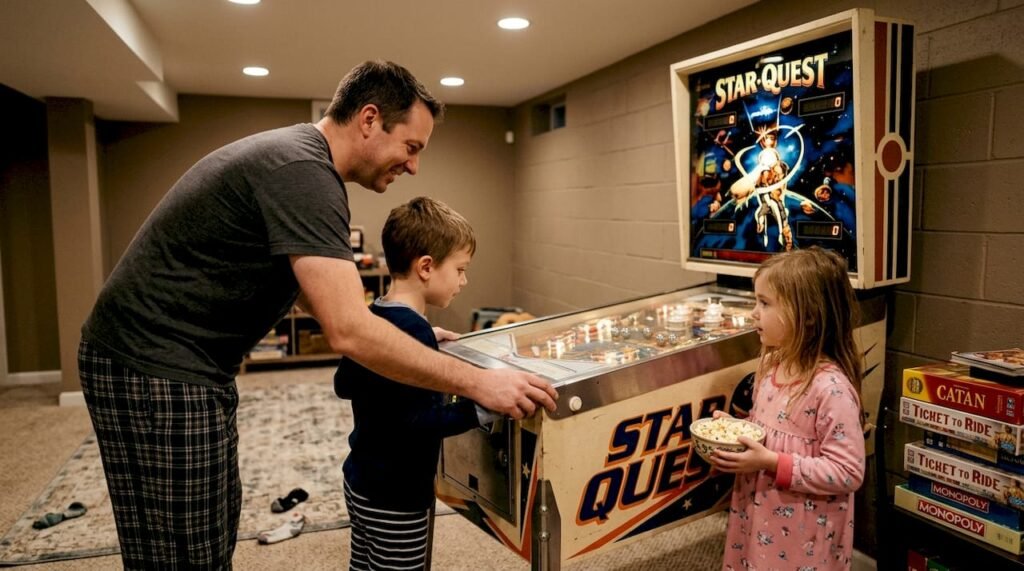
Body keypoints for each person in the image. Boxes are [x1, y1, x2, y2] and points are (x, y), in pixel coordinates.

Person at [78, 60, 557, 570]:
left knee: (211, 528)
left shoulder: (303, 164)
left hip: (179, 360)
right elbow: (348, 331)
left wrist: (397, 330)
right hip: (153, 363)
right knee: (181, 550)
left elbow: (320, 296)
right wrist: (482, 386)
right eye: (411, 147)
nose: (413, 166)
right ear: (369, 120)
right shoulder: (304, 174)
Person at [335, 196, 493, 570]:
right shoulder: (412, 332)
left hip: (359, 480)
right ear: (426, 267)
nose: (463, 280)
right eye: (460, 269)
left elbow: (343, 384)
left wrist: (417, 342)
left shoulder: (371, 317)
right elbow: (420, 422)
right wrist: (483, 407)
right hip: (397, 497)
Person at [709, 247, 865, 570]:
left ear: (807, 315)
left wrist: (771, 461)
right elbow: (770, 427)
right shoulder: (771, 366)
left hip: (804, 536)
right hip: (761, 515)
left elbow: (848, 472)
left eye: (764, 303)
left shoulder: (831, 389)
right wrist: (738, 432)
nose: (754, 313)